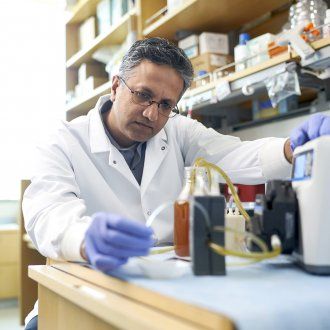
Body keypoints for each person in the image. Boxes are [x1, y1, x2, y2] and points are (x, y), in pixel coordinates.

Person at [23, 37, 330, 329]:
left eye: (166, 104)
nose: (151, 114)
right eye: (143, 95)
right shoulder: (63, 141)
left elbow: (235, 153)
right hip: (90, 285)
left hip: (166, 290)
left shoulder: (178, 131)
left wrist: (291, 148)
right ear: (116, 86)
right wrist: (85, 237)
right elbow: (47, 212)